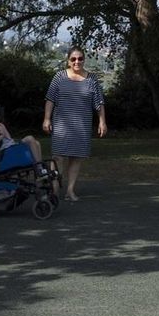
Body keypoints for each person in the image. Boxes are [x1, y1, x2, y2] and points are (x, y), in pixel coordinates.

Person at [43, 47, 106, 201]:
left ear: (84, 60)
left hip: (82, 126)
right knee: (58, 157)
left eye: (80, 59)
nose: (77, 62)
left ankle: (70, 191)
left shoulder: (92, 79)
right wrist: (46, 119)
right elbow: (50, 99)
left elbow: (99, 103)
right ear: (68, 61)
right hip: (61, 126)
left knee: (76, 158)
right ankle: (55, 190)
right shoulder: (59, 77)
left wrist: (102, 122)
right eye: (73, 59)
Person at [0, 99, 52, 181]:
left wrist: (3, 129)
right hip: (6, 151)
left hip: (10, 146)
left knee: (36, 143)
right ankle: (39, 169)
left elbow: (9, 138)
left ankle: (40, 171)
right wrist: (1, 137)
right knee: (30, 138)